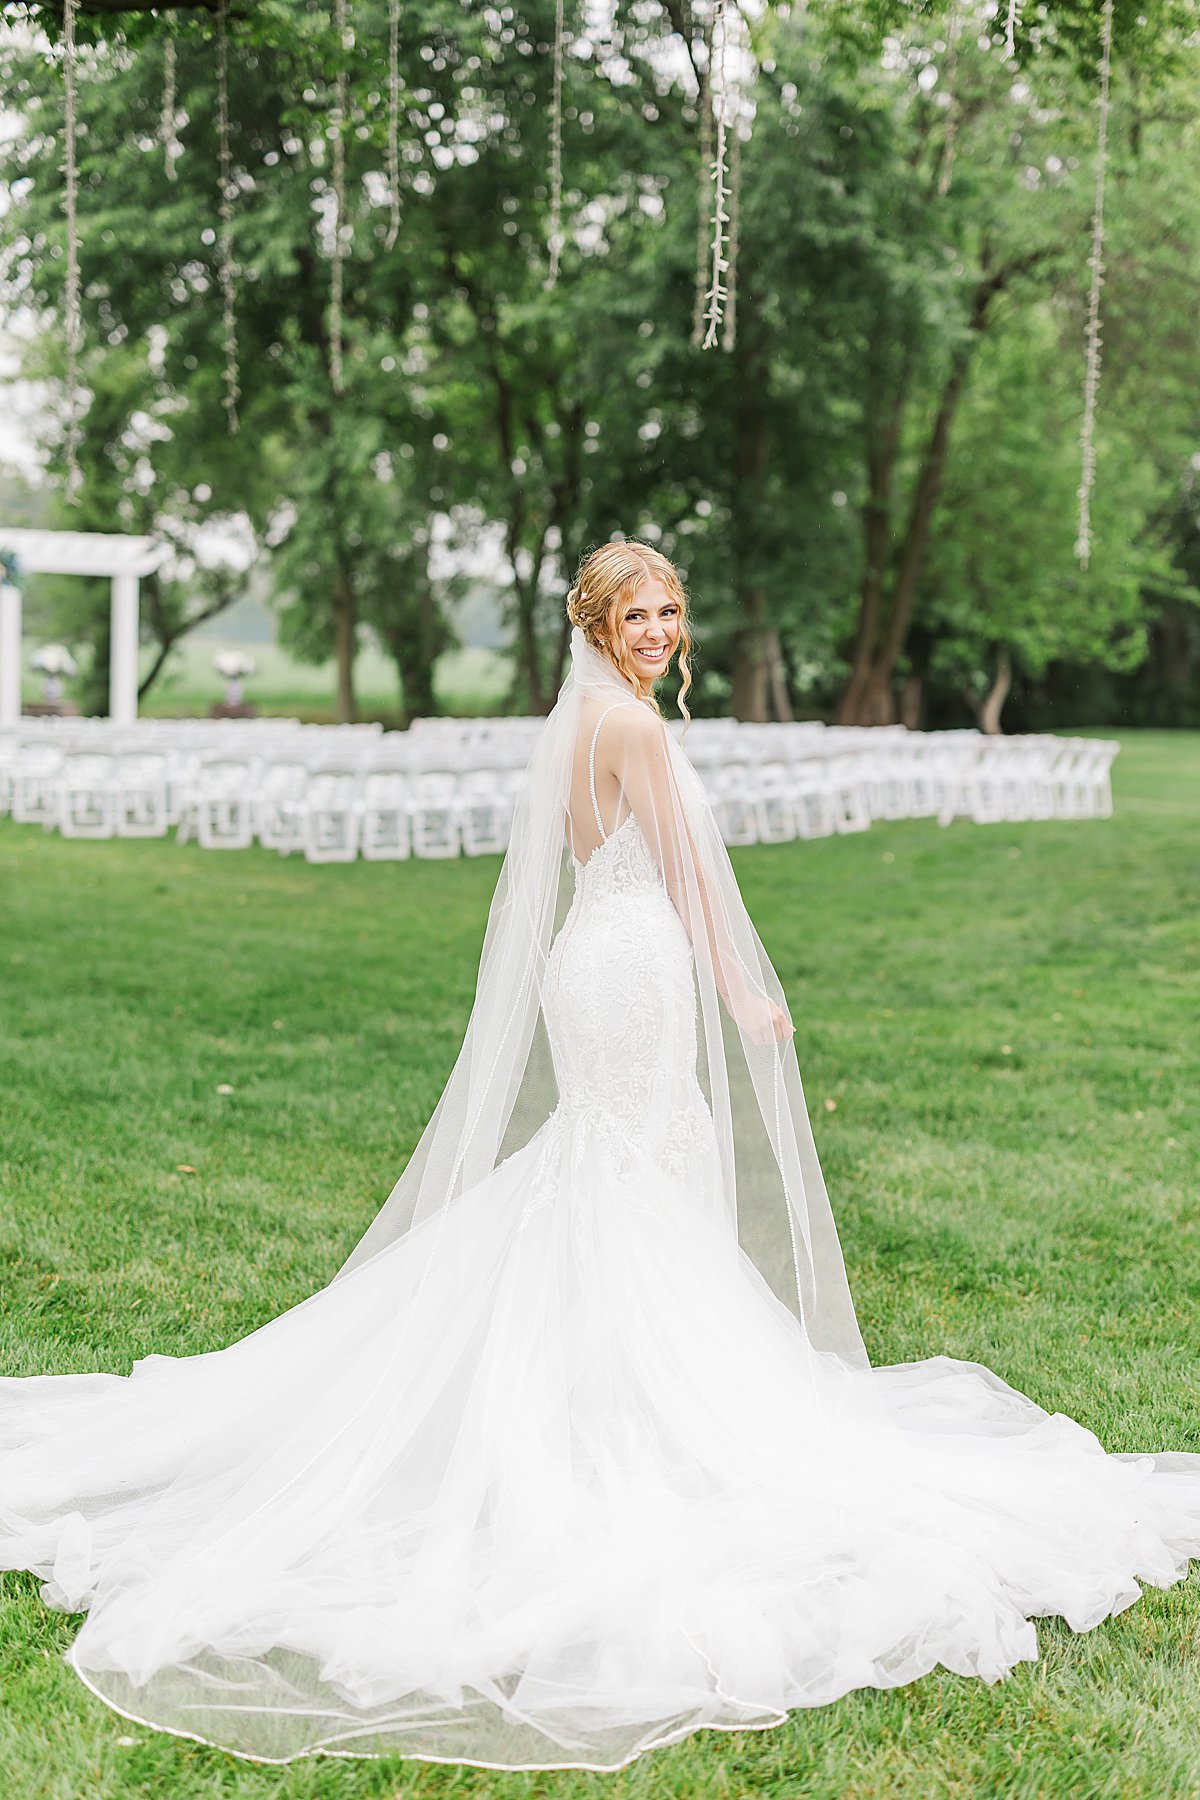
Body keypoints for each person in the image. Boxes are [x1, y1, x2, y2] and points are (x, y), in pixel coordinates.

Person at [2, 539, 1199, 1773]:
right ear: (598, 622)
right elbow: (687, 880)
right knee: (637, 1180)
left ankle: (605, 1397)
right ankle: (639, 1420)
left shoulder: (578, 728)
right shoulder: (632, 733)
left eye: (673, 609)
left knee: (608, 1178)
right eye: (639, 612)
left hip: (596, 963)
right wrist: (745, 990)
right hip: (633, 973)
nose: (660, 629)